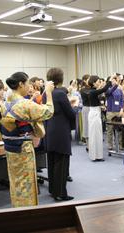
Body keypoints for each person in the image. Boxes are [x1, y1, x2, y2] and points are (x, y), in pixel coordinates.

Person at [0, 71, 54, 207]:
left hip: (10, 148)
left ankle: (17, 208)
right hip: (23, 148)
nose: (29, 86)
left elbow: (20, 115)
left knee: (15, 181)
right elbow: (48, 112)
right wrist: (48, 92)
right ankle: (27, 212)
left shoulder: (5, 104)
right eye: (28, 83)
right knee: (26, 182)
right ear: (20, 84)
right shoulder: (24, 104)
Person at [44, 68, 76, 201]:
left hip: (50, 129)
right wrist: (73, 107)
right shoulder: (60, 94)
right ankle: (61, 193)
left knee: (51, 161)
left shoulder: (47, 92)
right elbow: (70, 113)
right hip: (61, 131)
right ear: (61, 78)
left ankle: (53, 189)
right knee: (61, 163)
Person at [87, 75, 114, 162]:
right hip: (94, 114)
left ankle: (98, 155)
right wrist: (110, 79)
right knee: (95, 135)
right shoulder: (92, 92)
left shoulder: (93, 91)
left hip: (96, 112)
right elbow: (104, 89)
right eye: (98, 81)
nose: (99, 83)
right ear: (94, 83)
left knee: (98, 135)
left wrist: (100, 107)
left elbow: (95, 102)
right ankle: (95, 156)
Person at [105, 76, 124, 150]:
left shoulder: (119, 90)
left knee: (119, 129)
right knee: (110, 129)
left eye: (114, 80)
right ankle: (110, 145)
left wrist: (122, 108)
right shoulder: (108, 90)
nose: (114, 82)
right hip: (110, 111)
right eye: (112, 81)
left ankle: (120, 144)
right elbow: (110, 91)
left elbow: (122, 99)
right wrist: (116, 84)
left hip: (118, 111)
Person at [80, 74, 91, 147]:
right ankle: (88, 144)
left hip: (93, 108)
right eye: (88, 79)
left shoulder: (91, 88)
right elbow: (89, 95)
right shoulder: (83, 89)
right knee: (86, 125)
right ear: (84, 80)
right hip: (86, 108)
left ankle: (92, 143)